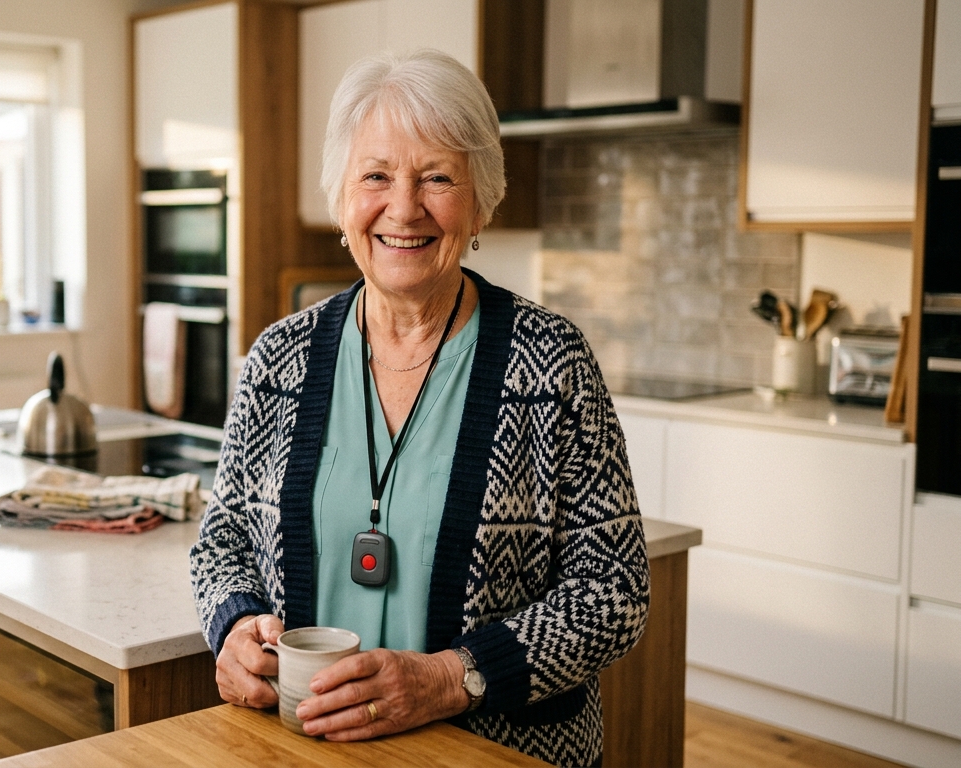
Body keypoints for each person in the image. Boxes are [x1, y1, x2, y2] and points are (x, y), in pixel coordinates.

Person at [189, 48, 648, 768]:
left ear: (480, 201)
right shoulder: (278, 359)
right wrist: (235, 626)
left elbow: (613, 589)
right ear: (342, 198)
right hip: (305, 751)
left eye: (437, 177)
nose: (403, 209)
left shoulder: (552, 362)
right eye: (376, 176)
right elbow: (222, 541)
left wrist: (451, 678)